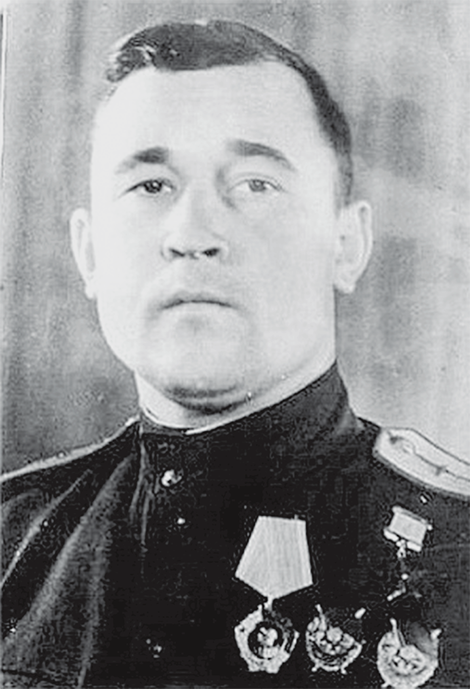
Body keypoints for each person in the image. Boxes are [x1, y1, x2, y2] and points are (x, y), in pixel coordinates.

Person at [1, 20, 469, 689]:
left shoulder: (457, 553)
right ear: (89, 252)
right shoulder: (13, 541)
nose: (192, 233)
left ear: (346, 243)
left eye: (254, 184)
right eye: (151, 185)